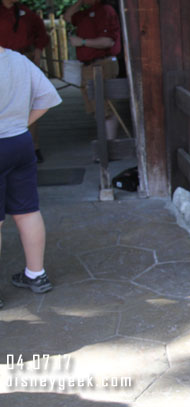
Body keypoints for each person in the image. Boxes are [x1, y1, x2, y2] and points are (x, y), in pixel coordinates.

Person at [0, 46, 62, 309]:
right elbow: (48, 96)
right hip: (20, 142)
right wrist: (21, 123)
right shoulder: (17, 59)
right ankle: (37, 275)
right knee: (27, 210)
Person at [0, 0, 50, 163]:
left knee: (27, 102)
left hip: (22, 60)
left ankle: (33, 146)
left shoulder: (26, 13)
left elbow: (41, 34)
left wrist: (37, 53)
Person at [63, 0, 121, 141]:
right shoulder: (86, 12)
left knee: (106, 107)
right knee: (95, 107)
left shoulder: (106, 10)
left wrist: (82, 42)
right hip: (88, 66)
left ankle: (109, 144)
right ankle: (105, 142)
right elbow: (67, 17)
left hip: (102, 64)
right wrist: (80, 2)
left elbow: (108, 42)